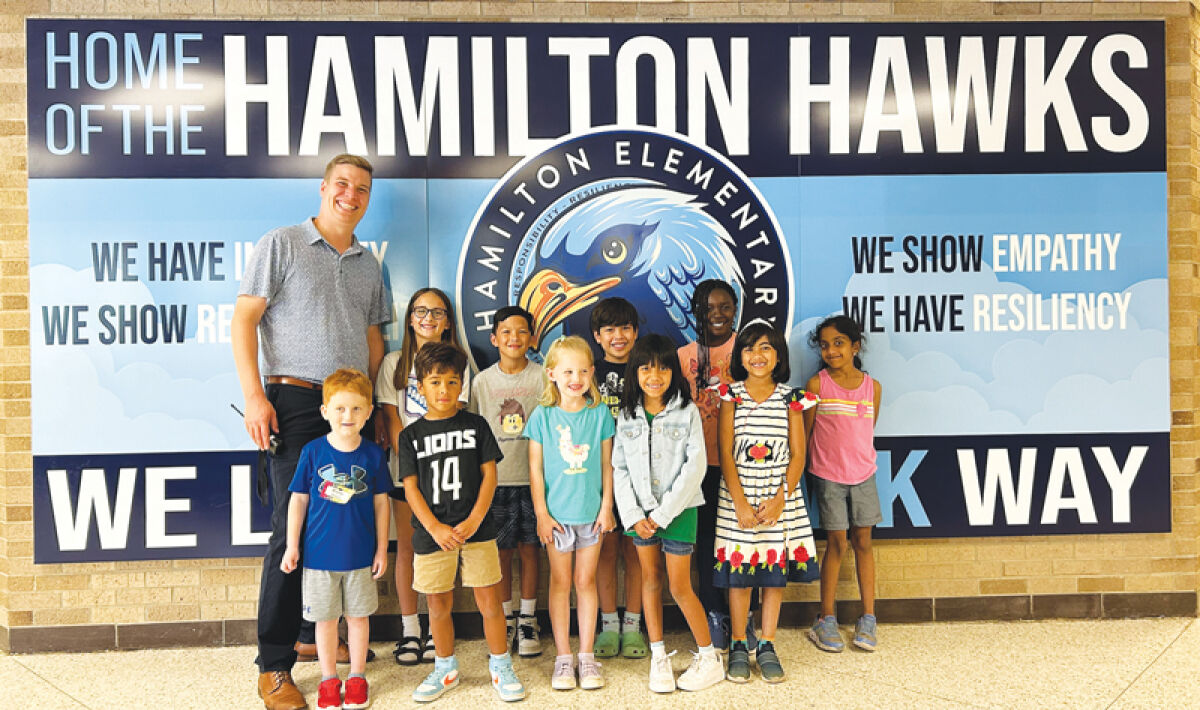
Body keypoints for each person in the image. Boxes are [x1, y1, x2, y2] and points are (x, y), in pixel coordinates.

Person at [233, 153, 390, 710]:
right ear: (324, 189)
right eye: (342, 185)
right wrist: (256, 396)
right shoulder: (282, 243)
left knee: (345, 516)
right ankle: (274, 666)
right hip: (295, 402)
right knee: (290, 527)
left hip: (354, 408)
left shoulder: (371, 265)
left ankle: (310, 634)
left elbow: (376, 343)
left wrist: (377, 410)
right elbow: (245, 319)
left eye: (362, 188)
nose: (352, 195)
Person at [396, 342, 526, 703]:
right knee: (438, 605)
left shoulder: (477, 425)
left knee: (490, 601)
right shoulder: (410, 436)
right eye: (435, 382)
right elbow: (410, 490)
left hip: (477, 529)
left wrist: (475, 519)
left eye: (452, 382)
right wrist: (435, 528)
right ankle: (444, 666)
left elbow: (489, 477)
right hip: (431, 534)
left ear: (462, 386)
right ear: (419, 387)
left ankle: (500, 665)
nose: (443, 390)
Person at [611, 335, 724, 694]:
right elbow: (620, 469)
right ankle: (658, 656)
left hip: (679, 511)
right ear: (635, 373)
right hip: (639, 517)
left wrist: (661, 515)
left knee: (679, 586)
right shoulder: (626, 414)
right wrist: (632, 515)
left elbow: (696, 467)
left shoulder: (686, 411)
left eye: (661, 367)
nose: (654, 375)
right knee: (649, 580)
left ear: (673, 372)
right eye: (645, 368)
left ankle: (709, 658)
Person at [711, 323, 819, 684]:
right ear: (739, 356)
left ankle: (768, 644)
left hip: (779, 499)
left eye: (766, 348)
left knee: (772, 578)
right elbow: (725, 452)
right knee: (740, 578)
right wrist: (739, 501)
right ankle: (740, 643)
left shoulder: (792, 399)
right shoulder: (731, 395)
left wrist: (780, 500)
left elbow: (798, 456)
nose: (757, 356)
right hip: (737, 498)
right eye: (748, 349)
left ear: (778, 356)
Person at [280, 370, 391, 710]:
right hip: (319, 558)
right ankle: (329, 679)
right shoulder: (313, 452)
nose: (348, 416)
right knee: (325, 621)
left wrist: (382, 549)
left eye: (357, 409)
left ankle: (356, 677)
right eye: (340, 409)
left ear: (369, 412)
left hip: (359, 557)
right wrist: (292, 545)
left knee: (358, 619)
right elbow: (298, 500)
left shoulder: (372, 455)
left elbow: (381, 503)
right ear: (325, 411)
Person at [376, 287, 470, 665]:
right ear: (410, 318)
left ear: (448, 320)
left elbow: (461, 416)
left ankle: (436, 629)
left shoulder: (459, 362)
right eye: (420, 311)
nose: (428, 318)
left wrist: (439, 467)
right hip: (408, 474)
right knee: (412, 549)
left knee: (441, 550)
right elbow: (392, 419)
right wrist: (417, 465)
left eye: (437, 311)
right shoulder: (394, 363)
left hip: (449, 475)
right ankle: (410, 629)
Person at [525, 335, 616, 691]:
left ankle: (587, 656)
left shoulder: (600, 415)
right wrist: (541, 514)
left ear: (592, 373)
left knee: (585, 582)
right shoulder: (542, 417)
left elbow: (607, 465)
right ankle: (564, 658)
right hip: (558, 518)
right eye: (567, 371)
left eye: (582, 371)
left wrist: (606, 507)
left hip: (592, 515)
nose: (575, 378)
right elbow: (535, 471)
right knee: (561, 583)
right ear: (551, 374)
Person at [467, 305, 545, 658]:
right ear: (494, 338)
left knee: (531, 550)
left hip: (536, 482)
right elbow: (472, 432)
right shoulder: (482, 382)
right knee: (501, 553)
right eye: (507, 332)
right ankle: (506, 617)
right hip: (495, 483)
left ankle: (528, 618)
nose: (514, 338)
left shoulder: (544, 377)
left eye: (522, 331)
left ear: (531, 338)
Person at [803, 315, 883, 653]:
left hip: (864, 475)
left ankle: (868, 617)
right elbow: (806, 434)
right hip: (828, 476)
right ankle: (826, 618)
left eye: (839, 343)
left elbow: (867, 431)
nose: (831, 351)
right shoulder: (816, 385)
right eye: (824, 345)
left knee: (863, 541)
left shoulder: (872, 387)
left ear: (855, 345)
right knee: (836, 542)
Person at [676, 280, 744, 649]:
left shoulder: (748, 351)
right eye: (707, 307)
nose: (716, 314)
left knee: (740, 540)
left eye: (724, 307)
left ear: (735, 309)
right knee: (704, 543)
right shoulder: (683, 355)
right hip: (699, 468)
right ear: (695, 312)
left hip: (742, 466)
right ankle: (714, 613)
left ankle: (742, 616)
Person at [589, 297, 646, 659]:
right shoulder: (588, 374)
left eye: (625, 327)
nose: (618, 336)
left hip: (641, 480)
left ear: (636, 332)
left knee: (637, 552)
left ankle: (634, 625)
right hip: (598, 480)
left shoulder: (648, 371)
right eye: (609, 329)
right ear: (597, 336)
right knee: (606, 552)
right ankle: (608, 624)